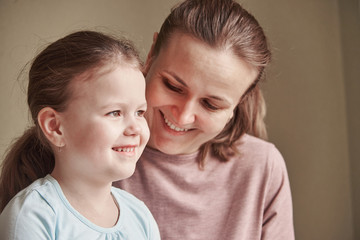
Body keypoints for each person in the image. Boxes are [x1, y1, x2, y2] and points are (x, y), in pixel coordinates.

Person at [113, 0, 295, 239]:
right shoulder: (90, 144)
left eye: (211, 104)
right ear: (151, 55)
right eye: (173, 86)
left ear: (238, 103)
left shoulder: (262, 167)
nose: (183, 115)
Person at [0, 31, 161, 240]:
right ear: (55, 127)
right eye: (115, 112)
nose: (135, 128)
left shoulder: (141, 217)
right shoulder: (33, 216)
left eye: (140, 112)